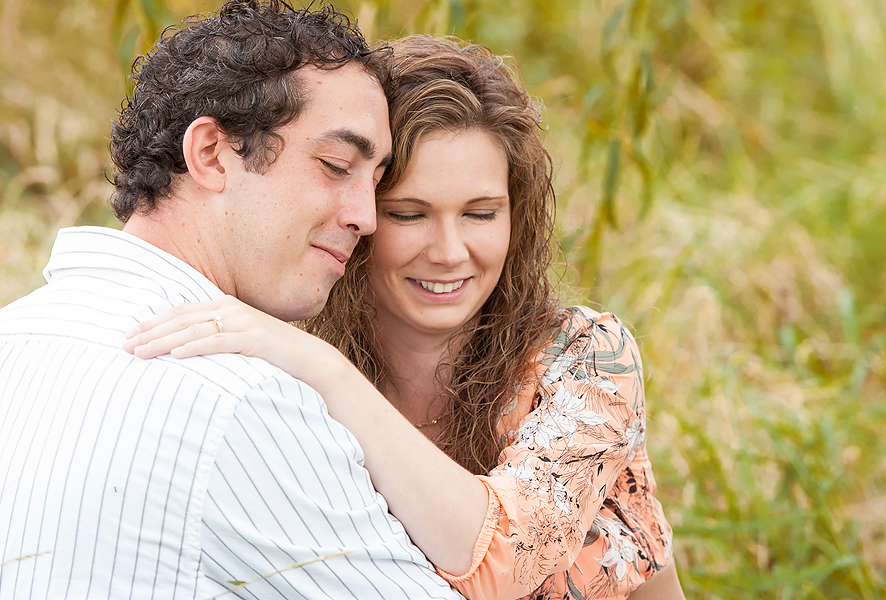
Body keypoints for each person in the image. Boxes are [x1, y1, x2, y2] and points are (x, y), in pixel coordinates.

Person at [124, 35, 684, 600]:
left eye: (481, 213)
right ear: (360, 215)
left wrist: (331, 374)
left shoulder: (583, 356)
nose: (448, 251)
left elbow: (509, 564)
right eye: (409, 214)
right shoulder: (287, 357)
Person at [0, 3, 466, 599]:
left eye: (375, 183)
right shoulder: (238, 400)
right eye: (337, 165)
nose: (366, 218)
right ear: (213, 153)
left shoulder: (16, 335)